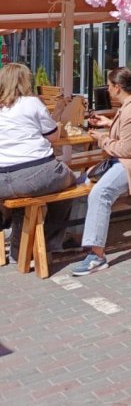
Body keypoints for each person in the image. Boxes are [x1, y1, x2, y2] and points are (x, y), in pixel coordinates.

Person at [71, 66, 131, 276]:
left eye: (109, 86)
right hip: (123, 161)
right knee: (81, 181)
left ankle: (97, 255)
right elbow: (128, 132)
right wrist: (109, 124)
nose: (107, 90)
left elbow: (125, 150)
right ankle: (78, 236)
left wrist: (101, 138)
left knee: (101, 193)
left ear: (118, 87)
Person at [0, 63, 75, 261]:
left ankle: (18, 249)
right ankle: (49, 241)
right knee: (69, 185)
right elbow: (53, 137)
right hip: (37, 174)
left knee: (20, 205)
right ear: (23, 81)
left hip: (2, 180)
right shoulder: (31, 103)